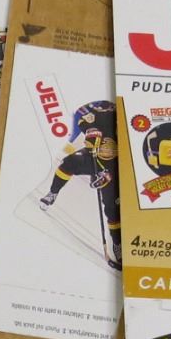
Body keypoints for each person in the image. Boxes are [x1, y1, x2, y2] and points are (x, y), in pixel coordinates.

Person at [39, 98, 122, 269]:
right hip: (94, 157)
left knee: (112, 208)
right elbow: (83, 121)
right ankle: (53, 192)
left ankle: (117, 243)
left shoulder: (129, 121)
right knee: (69, 162)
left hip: (115, 167)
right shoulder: (99, 113)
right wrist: (90, 132)